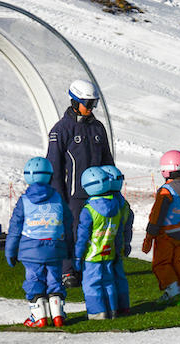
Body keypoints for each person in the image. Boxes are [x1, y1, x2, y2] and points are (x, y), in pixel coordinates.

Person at [46, 78, 114, 288]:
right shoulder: (61, 130)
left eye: (94, 103)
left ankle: (90, 267)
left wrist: (112, 187)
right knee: (71, 233)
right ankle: (68, 272)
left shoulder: (98, 128)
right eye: (87, 103)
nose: (91, 108)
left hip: (98, 194)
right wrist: (58, 198)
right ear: (74, 102)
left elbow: (107, 160)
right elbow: (54, 167)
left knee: (96, 233)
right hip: (73, 195)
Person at [4, 157, 74, 327]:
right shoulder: (57, 199)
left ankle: (39, 316)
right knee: (55, 280)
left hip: (31, 250)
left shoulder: (24, 201)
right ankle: (58, 315)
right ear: (50, 176)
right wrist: (70, 249)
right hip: (55, 248)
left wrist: (10, 251)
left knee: (34, 280)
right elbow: (68, 223)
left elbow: (14, 228)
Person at [73, 166, 130, 320]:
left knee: (92, 284)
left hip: (92, 255)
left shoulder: (89, 210)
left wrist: (78, 257)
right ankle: (113, 310)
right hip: (109, 252)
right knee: (109, 282)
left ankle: (97, 312)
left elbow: (82, 237)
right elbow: (119, 233)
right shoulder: (117, 206)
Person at [142, 150, 180, 304]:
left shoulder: (166, 191)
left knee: (162, 263)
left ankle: (172, 292)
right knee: (177, 261)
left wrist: (149, 237)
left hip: (165, 234)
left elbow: (156, 215)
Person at [102, 165, 134, 317]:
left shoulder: (106, 203)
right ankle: (124, 305)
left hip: (106, 246)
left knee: (107, 278)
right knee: (120, 276)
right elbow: (128, 228)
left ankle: (110, 306)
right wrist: (127, 244)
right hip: (120, 246)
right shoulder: (124, 203)